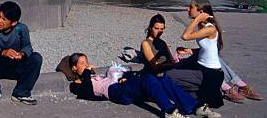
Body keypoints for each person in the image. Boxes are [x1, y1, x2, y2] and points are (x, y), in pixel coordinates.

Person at [140, 13, 262, 107]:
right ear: (150, 27)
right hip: (162, 72)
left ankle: (240, 85)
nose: (160, 31)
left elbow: (170, 58)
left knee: (211, 57)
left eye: (162, 29)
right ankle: (226, 88)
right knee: (204, 64)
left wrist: (181, 55)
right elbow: (155, 66)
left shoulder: (162, 42)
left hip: (171, 66)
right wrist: (174, 63)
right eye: (157, 28)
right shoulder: (146, 43)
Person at [68, 53, 197, 118]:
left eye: (87, 62)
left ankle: (193, 107)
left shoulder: (91, 76)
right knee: (147, 79)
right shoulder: (76, 84)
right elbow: (86, 91)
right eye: (82, 63)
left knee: (162, 80)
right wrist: (86, 72)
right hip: (114, 92)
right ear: (74, 68)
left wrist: (123, 78)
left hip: (120, 86)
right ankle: (170, 111)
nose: (86, 65)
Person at [0, 1, 42, 107]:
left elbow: (28, 46)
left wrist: (22, 54)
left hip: (14, 66)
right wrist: (2, 52)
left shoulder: (21, 29)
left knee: (37, 58)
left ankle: (21, 93)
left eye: (4, 19)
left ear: (13, 23)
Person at [175, 0, 225, 116]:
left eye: (191, 7)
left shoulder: (210, 28)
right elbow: (209, 47)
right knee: (174, 68)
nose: (188, 10)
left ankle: (197, 97)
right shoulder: (204, 26)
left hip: (210, 73)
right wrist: (190, 50)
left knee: (168, 77)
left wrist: (197, 19)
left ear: (201, 11)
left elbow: (186, 36)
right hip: (201, 66)